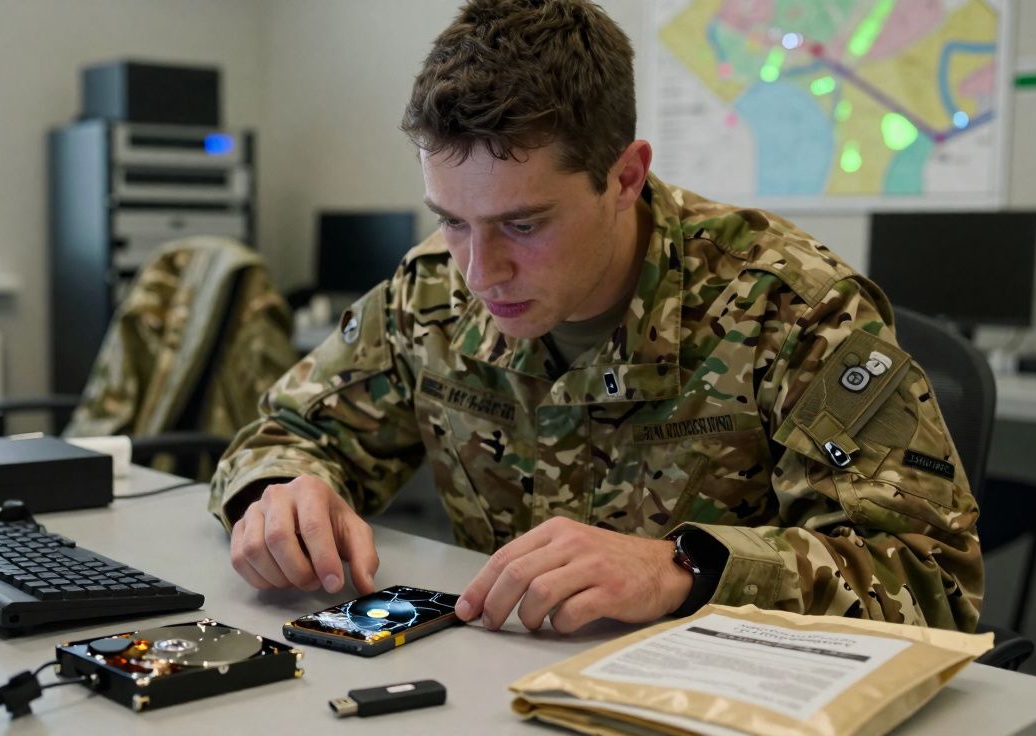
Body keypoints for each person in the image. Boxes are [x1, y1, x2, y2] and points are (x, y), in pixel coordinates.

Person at [208, 0, 982, 633]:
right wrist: (281, 493)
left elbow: (932, 578)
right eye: (451, 219)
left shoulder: (792, 308)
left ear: (625, 176)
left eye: (523, 225)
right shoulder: (432, 294)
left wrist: (683, 568)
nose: (480, 272)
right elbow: (290, 434)